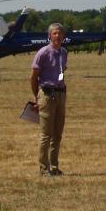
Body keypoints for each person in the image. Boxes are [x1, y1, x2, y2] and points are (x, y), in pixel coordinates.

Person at [31, 23, 68, 177]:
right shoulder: (43, 53)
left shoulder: (64, 53)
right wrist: (37, 96)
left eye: (59, 33)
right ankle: (44, 168)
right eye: (54, 33)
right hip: (46, 95)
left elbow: (61, 71)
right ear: (49, 36)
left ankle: (54, 165)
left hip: (60, 94)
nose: (57, 36)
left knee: (57, 134)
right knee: (46, 134)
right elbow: (33, 77)